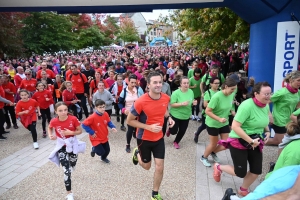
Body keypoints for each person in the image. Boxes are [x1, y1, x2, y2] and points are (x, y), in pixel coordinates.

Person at [214, 82, 272, 197]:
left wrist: (267, 132)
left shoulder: (265, 105)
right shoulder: (246, 106)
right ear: (256, 93)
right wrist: (250, 140)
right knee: (240, 172)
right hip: (239, 141)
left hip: (255, 141)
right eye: (266, 94)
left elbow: (264, 121)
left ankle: (243, 189)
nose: (268, 96)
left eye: (270, 93)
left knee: (256, 170)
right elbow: (235, 126)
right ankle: (218, 167)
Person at [127, 71, 175, 200]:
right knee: (147, 167)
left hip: (159, 138)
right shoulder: (140, 101)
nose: (158, 85)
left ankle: (155, 193)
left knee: (160, 167)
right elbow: (129, 120)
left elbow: (164, 109)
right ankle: (137, 153)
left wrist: (169, 118)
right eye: (155, 82)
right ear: (148, 85)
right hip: (144, 139)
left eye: (160, 82)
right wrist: (148, 127)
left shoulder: (165, 97)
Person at [48, 102, 85, 200]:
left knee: (73, 162)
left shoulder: (73, 119)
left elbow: (80, 131)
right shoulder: (54, 121)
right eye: (60, 110)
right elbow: (50, 127)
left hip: (72, 144)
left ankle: (72, 164)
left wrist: (71, 132)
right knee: (66, 171)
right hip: (61, 146)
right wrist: (50, 135)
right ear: (56, 111)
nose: (63, 112)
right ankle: (69, 193)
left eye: (65, 110)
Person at [200, 78, 237, 167]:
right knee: (213, 143)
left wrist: (232, 111)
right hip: (213, 123)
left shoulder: (231, 95)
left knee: (226, 143)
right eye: (232, 89)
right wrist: (219, 119)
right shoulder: (217, 96)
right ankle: (204, 157)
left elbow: (230, 105)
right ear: (226, 87)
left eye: (234, 89)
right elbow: (207, 111)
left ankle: (213, 152)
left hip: (224, 122)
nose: (233, 91)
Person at [266, 71, 300, 146]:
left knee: (276, 141)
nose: (299, 83)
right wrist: (269, 115)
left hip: (289, 121)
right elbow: (266, 102)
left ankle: (254, 141)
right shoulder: (282, 92)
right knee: (284, 144)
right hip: (279, 121)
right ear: (291, 80)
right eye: (298, 80)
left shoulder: (298, 92)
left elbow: (298, 106)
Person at [82, 99, 117, 163]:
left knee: (107, 151)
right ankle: (94, 149)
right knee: (101, 152)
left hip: (104, 136)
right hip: (95, 137)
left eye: (103, 107)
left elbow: (108, 122)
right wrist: (91, 132)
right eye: (100, 107)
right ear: (96, 107)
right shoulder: (92, 117)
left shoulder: (105, 114)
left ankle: (103, 158)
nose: (102, 109)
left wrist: (112, 127)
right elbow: (84, 125)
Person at [166, 76, 197, 149]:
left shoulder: (191, 92)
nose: (186, 85)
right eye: (184, 83)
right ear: (180, 84)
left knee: (182, 130)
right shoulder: (176, 93)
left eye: (187, 83)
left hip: (186, 115)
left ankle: (176, 141)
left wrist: (193, 103)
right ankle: (170, 130)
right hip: (176, 115)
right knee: (174, 131)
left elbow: (191, 101)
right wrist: (181, 104)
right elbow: (172, 104)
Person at [118, 74, 144, 152]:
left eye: (134, 83)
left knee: (139, 128)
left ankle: (140, 145)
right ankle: (128, 144)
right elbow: (120, 102)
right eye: (131, 82)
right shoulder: (124, 91)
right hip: (129, 113)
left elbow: (143, 100)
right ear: (128, 82)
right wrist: (123, 109)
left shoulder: (139, 90)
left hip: (139, 112)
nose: (133, 84)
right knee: (130, 129)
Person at [194, 77, 220, 143]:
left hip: (217, 113)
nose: (217, 84)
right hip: (207, 113)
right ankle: (197, 134)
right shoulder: (208, 92)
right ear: (211, 84)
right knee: (204, 126)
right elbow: (205, 104)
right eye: (215, 83)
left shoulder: (220, 91)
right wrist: (215, 105)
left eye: (218, 83)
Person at [0, 75, 15, 140]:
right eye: (1, 80)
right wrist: (8, 102)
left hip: (2, 105)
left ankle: (2, 131)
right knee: (2, 120)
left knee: (2, 119)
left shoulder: (1, 86)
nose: (2, 80)